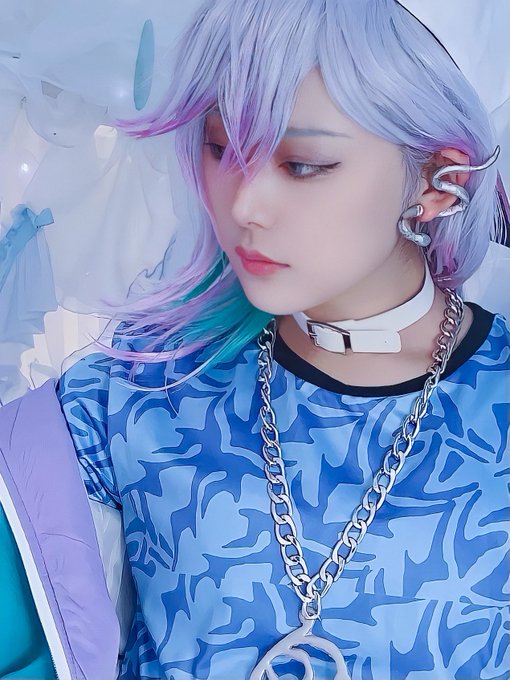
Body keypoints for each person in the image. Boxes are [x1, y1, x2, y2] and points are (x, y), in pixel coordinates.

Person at [0, 0, 508, 678]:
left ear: (439, 181)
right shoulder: (132, 394)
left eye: (302, 164)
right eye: (220, 148)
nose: (243, 205)